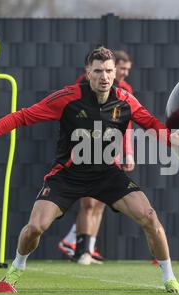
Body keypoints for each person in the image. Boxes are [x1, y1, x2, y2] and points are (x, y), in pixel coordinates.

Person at [0, 47, 179, 293]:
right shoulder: (68, 97)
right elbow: (23, 116)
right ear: (88, 73)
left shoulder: (125, 100)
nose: (104, 77)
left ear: (115, 73)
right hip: (68, 175)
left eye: (109, 71)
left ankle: (169, 279)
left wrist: (171, 137)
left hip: (107, 174)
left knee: (149, 216)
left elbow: (151, 124)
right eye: (98, 71)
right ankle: (13, 273)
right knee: (35, 228)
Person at [58, 50, 136, 265]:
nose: (123, 74)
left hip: (111, 150)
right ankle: (79, 248)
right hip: (86, 150)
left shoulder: (125, 91)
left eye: (123, 70)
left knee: (100, 203)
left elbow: (127, 125)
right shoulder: (84, 85)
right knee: (89, 203)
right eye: (121, 69)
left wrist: (127, 152)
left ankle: (88, 248)